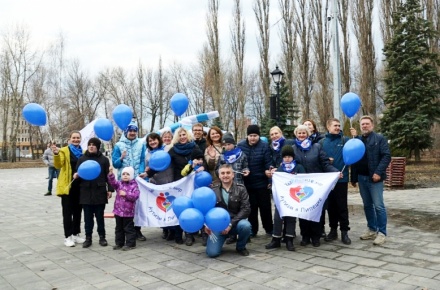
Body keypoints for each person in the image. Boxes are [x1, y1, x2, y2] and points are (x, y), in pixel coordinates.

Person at [292, 125, 340, 247]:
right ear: (296, 134)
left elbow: (325, 163)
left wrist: (335, 171)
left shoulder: (317, 147)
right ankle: (305, 236)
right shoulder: (293, 149)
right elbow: (290, 165)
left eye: (304, 133)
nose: (302, 135)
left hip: (316, 186)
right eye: (299, 133)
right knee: (303, 212)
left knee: (316, 211)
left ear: (308, 134)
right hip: (301, 187)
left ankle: (316, 236)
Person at [350, 115, 391, 246]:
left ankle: (382, 233)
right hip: (362, 178)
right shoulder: (357, 141)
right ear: (360, 126)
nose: (365, 126)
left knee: (379, 206)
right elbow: (354, 160)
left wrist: (378, 172)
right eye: (363, 124)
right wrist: (354, 178)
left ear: (372, 125)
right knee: (367, 205)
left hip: (375, 179)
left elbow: (386, 156)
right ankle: (372, 229)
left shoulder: (379, 139)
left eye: (367, 124)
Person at [74, 138, 114, 248]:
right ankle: (88, 237)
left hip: (99, 191)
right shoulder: (82, 159)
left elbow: (108, 176)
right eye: (89, 144)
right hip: (86, 192)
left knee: (100, 217)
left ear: (98, 146)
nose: (91, 146)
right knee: (87, 217)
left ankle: (102, 237)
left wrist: (110, 189)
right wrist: (75, 176)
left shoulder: (104, 160)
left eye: (93, 145)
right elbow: (77, 173)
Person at [205, 164, 252, 258]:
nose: (225, 175)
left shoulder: (241, 188)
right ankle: (221, 240)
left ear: (233, 174)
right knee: (212, 253)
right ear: (219, 175)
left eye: (228, 173)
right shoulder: (213, 190)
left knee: (246, 226)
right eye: (222, 173)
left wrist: (230, 224)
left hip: (235, 223)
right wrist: (207, 224)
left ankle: (241, 247)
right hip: (218, 225)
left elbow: (246, 209)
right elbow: (207, 209)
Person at [112, 121, 148, 242]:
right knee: (124, 205)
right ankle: (124, 231)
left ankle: (137, 230)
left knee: (137, 205)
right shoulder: (118, 145)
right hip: (124, 181)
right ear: (126, 132)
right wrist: (121, 158)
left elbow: (142, 159)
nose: (132, 133)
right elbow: (115, 163)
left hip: (137, 179)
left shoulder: (141, 144)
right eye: (130, 131)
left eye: (134, 131)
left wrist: (141, 172)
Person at [266, 146, 306, 251]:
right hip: (281, 198)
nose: (287, 159)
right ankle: (276, 239)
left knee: (291, 219)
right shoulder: (280, 168)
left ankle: (289, 239)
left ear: (293, 157)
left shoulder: (298, 167)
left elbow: (304, 180)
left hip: (293, 198)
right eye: (285, 157)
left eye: (289, 156)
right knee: (278, 218)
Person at [168, 127, 202, 245]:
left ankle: (189, 234)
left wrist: (201, 165)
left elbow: (202, 161)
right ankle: (178, 234)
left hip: (194, 183)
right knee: (180, 207)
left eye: (184, 134)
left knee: (192, 207)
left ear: (188, 136)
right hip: (179, 183)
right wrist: (148, 173)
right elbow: (165, 166)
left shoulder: (194, 148)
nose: (182, 137)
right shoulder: (172, 151)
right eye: (180, 135)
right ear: (177, 137)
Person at [237, 124, 273, 237]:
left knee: (265, 207)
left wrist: (268, 172)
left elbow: (268, 162)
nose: (253, 138)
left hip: (262, 182)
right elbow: (238, 161)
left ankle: (269, 228)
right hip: (247, 182)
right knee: (251, 208)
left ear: (259, 136)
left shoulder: (264, 146)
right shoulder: (241, 146)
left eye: (255, 135)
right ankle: (253, 229)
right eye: (251, 135)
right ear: (247, 136)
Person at [320, 118, 351, 244]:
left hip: (341, 180)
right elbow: (319, 159)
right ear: (328, 127)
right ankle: (333, 230)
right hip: (327, 180)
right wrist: (327, 160)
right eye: (335, 125)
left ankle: (345, 231)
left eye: (339, 125)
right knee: (331, 207)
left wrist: (355, 136)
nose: (337, 128)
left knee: (342, 207)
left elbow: (357, 147)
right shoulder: (322, 142)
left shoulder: (346, 140)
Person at [52, 131, 86, 247]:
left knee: (78, 212)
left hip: (80, 187)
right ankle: (68, 236)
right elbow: (58, 165)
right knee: (67, 212)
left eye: (78, 138)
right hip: (68, 186)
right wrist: (56, 154)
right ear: (70, 139)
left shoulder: (83, 152)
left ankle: (76, 234)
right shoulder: (64, 150)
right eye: (74, 138)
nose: (76, 139)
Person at [144, 133, 175, 240]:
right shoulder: (147, 153)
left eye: (154, 140)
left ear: (159, 140)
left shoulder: (167, 149)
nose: (152, 142)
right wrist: (146, 171)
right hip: (156, 183)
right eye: (150, 141)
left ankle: (172, 229)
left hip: (168, 181)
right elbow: (147, 166)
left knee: (170, 206)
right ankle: (165, 229)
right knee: (160, 208)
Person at [107, 166, 140, 251]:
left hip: (128, 212)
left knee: (128, 228)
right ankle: (119, 243)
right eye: (123, 174)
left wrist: (126, 194)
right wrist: (111, 174)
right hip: (118, 211)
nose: (125, 176)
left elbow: (135, 196)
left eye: (128, 174)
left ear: (132, 175)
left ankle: (130, 243)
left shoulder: (134, 185)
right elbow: (113, 183)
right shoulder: (119, 184)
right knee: (119, 228)